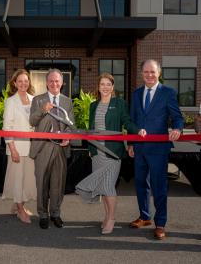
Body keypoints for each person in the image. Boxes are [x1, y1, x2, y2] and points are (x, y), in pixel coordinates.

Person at [75, 73, 141, 234]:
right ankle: (106, 216)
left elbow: (126, 121)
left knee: (108, 186)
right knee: (103, 187)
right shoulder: (93, 106)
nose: (105, 87)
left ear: (112, 87)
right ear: (98, 87)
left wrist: (138, 130)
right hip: (97, 152)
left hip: (112, 152)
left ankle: (111, 218)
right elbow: (91, 129)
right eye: (102, 84)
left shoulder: (119, 103)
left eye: (108, 84)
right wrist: (91, 150)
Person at [128, 59, 183, 240]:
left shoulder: (168, 93)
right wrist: (130, 143)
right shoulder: (136, 94)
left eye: (152, 72)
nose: (149, 75)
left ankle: (160, 223)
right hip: (140, 148)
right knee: (141, 184)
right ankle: (144, 216)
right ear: (141, 73)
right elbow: (133, 120)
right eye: (146, 72)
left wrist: (177, 129)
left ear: (159, 73)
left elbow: (177, 117)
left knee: (159, 186)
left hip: (159, 149)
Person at [29, 68, 74, 229]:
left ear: (62, 83)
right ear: (46, 83)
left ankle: (55, 213)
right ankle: (42, 214)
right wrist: (43, 110)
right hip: (43, 147)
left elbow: (71, 125)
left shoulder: (68, 101)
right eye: (51, 81)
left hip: (60, 149)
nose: (54, 83)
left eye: (57, 81)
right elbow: (32, 121)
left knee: (58, 183)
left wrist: (67, 137)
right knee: (41, 182)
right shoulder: (38, 100)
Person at [2, 69, 36, 223]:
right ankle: (20, 210)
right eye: (20, 81)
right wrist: (12, 149)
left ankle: (18, 205)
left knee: (27, 179)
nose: (23, 83)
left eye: (26, 81)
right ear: (14, 83)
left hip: (31, 148)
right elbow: (7, 127)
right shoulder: (10, 101)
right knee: (17, 179)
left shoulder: (34, 99)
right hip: (16, 147)